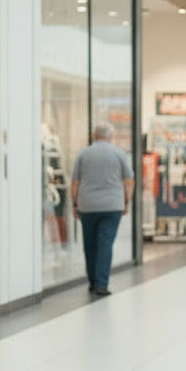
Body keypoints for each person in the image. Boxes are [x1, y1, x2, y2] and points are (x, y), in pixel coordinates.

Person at [70, 121, 134, 297]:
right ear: (111, 137)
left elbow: (75, 182)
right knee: (105, 244)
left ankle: (92, 281)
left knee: (90, 244)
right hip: (112, 206)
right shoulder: (119, 154)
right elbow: (129, 180)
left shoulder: (83, 154)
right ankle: (101, 284)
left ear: (94, 135)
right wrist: (126, 201)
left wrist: (75, 204)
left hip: (88, 205)